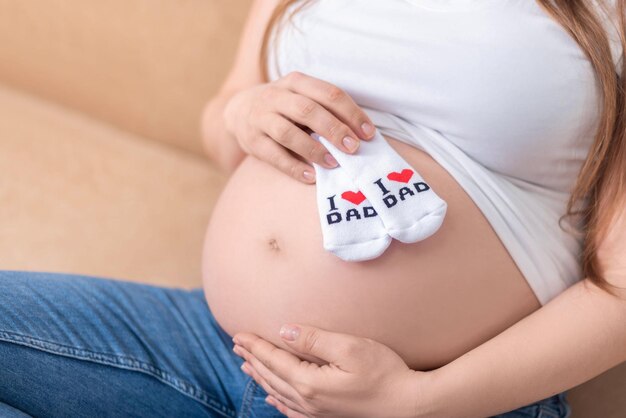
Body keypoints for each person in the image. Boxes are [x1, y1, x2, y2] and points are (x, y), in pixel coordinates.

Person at [1, 1, 626, 417]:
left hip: (437, 394)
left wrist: (418, 399)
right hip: (221, 344)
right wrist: (243, 114)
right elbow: (224, 123)